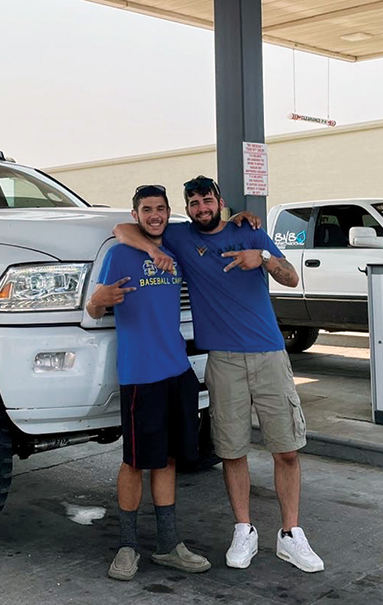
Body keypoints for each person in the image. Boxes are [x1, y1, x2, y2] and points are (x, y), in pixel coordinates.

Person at [112, 175, 325, 573]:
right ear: (187, 208)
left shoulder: (249, 232)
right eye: (193, 203)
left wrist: (260, 259)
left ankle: (290, 534)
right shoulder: (180, 237)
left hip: (269, 354)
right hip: (223, 360)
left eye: (207, 200)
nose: (201, 208)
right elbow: (123, 228)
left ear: (220, 201)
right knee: (231, 449)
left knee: (288, 449)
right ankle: (243, 529)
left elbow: (291, 278)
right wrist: (148, 249)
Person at [87, 184, 211, 581]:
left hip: (177, 370)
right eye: (147, 209)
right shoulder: (119, 254)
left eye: (160, 208)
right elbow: (93, 305)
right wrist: (99, 298)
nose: (154, 215)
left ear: (169, 211)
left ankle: (169, 544)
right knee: (134, 462)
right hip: (140, 375)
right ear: (136, 212)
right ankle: (127, 547)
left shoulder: (175, 247)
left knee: (169, 459)